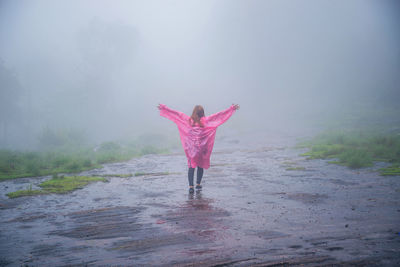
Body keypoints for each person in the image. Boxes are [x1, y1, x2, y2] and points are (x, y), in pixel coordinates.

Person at [158, 103, 240, 193]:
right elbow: (219, 116)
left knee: (191, 166)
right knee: (200, 164)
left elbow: (177, 114)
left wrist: (165, 109)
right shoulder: (206, 121)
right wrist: (231, 109)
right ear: (202, 113)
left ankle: (191, 187)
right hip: (202, 149)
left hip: (192, 150)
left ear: (194, 112)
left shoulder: (188, 120)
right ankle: (198, 184)